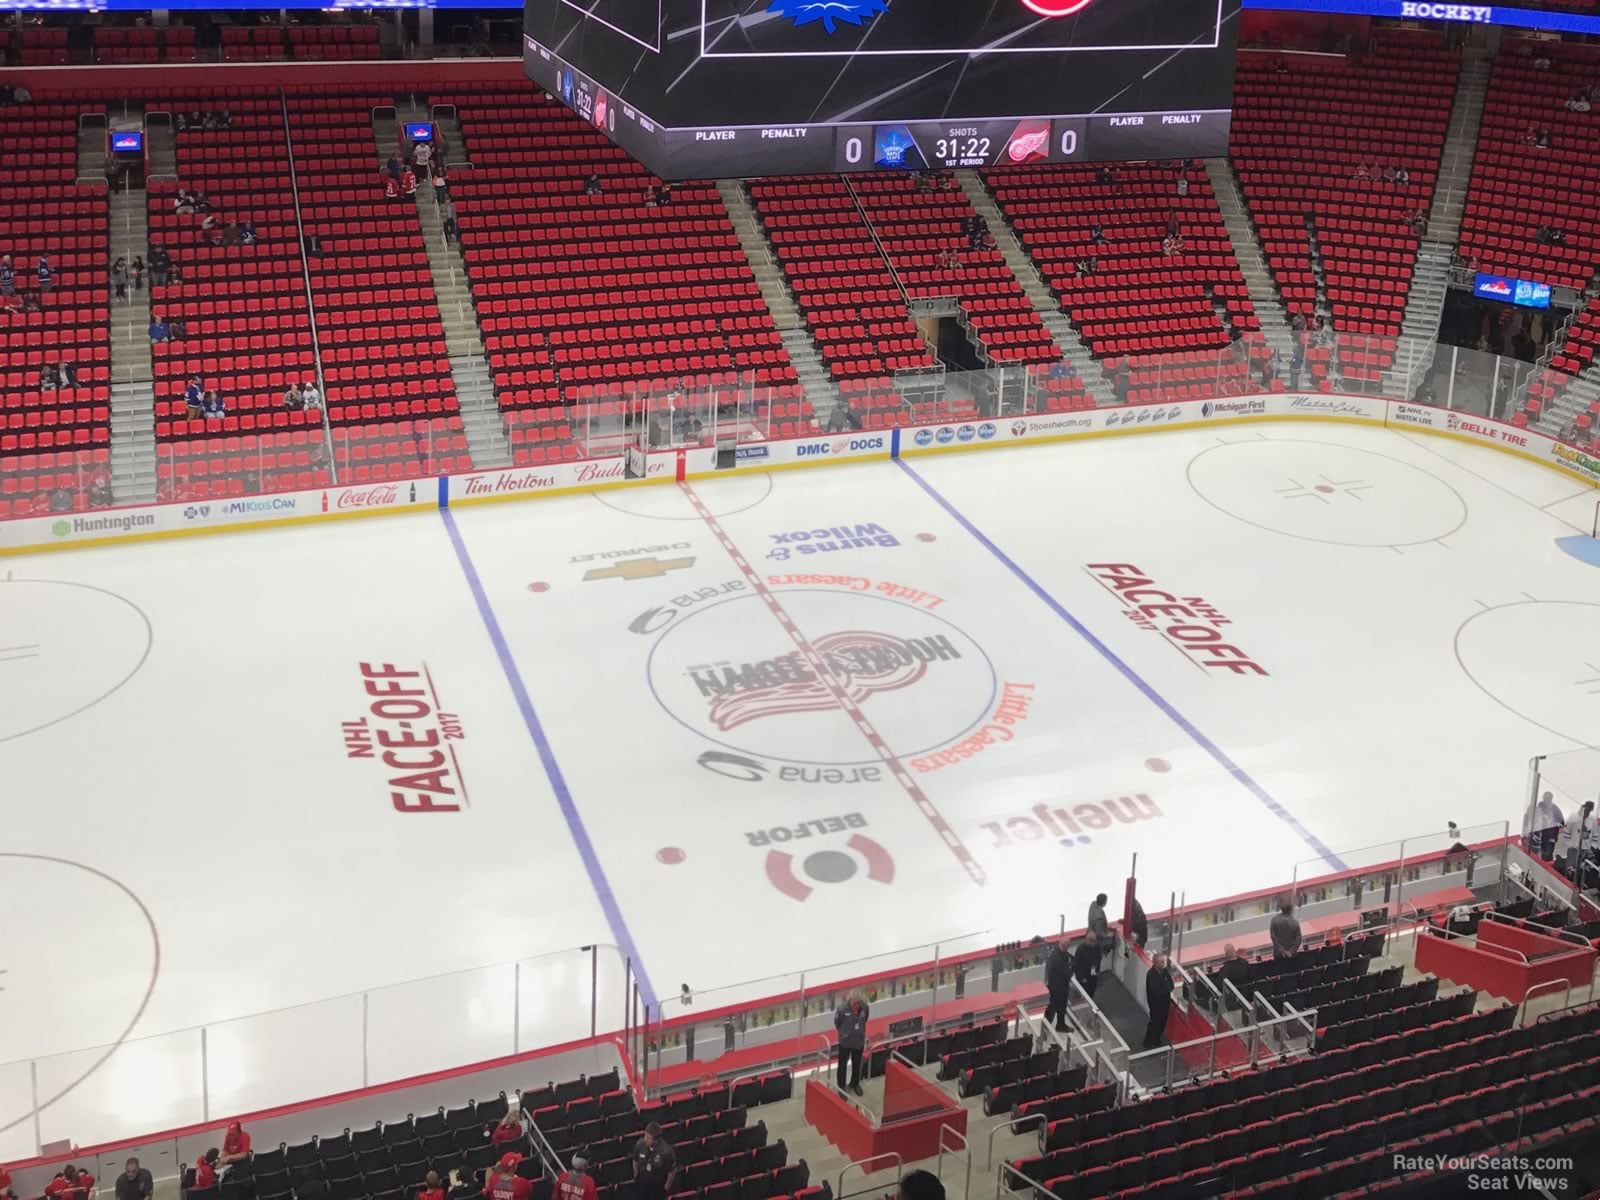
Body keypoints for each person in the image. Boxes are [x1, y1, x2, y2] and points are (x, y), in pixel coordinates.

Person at [833, 991, 868, 1097]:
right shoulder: (842, 1010)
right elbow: (837, 1023)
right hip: (845, 1043)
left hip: (858, 1041)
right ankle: (841, 1087)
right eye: (854, 1003)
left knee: (857, 1064)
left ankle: (855, 1084)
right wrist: (845, 1034)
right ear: (850, 1001)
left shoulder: (865, 1007)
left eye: (858, 1003)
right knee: (842, 1065)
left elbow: (865, 1019)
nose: (856, 1005)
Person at [632, 1124, 676, 1200]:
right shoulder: (639, 1144)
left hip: (658, 1185)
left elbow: (671, 1172)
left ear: (656, 1140)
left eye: (648, 1138)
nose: (645, 1139)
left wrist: (665, 1189)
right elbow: (635, 1161)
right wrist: (636, 1177)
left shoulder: (666, 1152)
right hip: (642, 1182)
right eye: (645, 1136)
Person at [1043, 937, 1073, 1031]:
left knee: (1061, 1006)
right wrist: (1071, 969)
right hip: (1056, 987)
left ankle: (1060, 1025)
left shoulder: (1060, 953)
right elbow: (1066, 972)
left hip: (1061, 986)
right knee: (1053, 1007)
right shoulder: (1056, 957)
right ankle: (1046, 1026)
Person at [1143, 954, 1173, 1049]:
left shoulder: (1164, 971)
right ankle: (1148, 1042)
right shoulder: (1151, 975)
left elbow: (1171, 984)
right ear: (1155, 963)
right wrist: (1166, 989)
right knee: (1155, 1022)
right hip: (1155, 1004)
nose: (1164, 964)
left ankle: (1156, 1039)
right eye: (1162, 962)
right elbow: (1156, 991)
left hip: (1165, 1002)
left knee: (1163, 1021)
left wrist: (1167, 989)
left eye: (1163, 961)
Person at [1217, 943, 1251, 1009]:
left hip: (1234, 1001)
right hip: (1247, 995)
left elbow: (1221, 987)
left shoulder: (1224, 970)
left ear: (1226, 954)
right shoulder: (1245, 963)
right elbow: (1250, 978)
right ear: (1234, 951)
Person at [1087, 892, 1115, 964]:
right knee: (1097, 958)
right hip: (1096, 941)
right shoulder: (1099, 918)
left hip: (1090, 933)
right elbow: (1098, 934)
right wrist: (1108, 935)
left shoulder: (1093, 904)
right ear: (1104, 903)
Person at [1071, 934, 1099, 1001]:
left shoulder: (1096, 947)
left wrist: (1097, 970)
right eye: (1092, 941)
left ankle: (1091, 999)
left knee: (1092, 988)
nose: (1093, 944)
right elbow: (1076, 965)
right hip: (1084, 975)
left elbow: (1098, 958)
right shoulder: (1081, 949)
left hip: (1093, 973)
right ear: (1087, 940)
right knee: (1084, 991)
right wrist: (1081, 977)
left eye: (1094, 941)